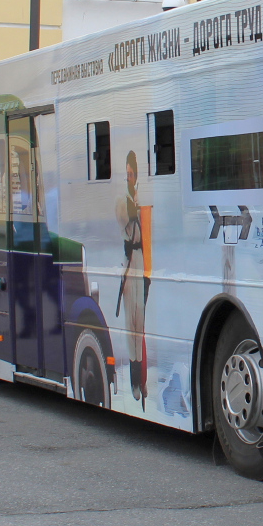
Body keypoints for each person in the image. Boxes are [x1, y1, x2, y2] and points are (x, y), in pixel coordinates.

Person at [115, 150, 150, 409]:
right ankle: (134, 381)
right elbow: (125, 219)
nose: (129, 177)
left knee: (140, 324)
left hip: (140, 261)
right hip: (128, 263)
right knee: (130, 325)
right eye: (126, 174)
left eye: (132, 174)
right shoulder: (123, 200)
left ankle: (141, 378)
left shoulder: (138, 197)